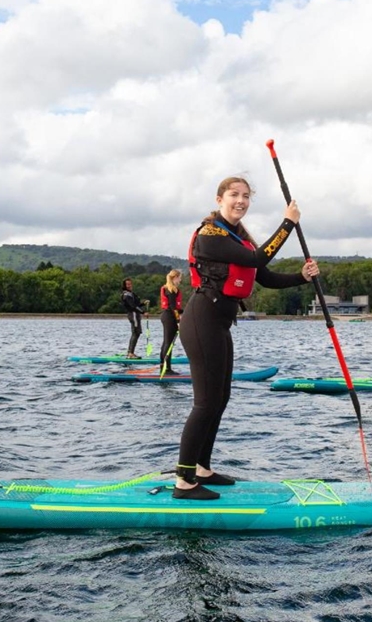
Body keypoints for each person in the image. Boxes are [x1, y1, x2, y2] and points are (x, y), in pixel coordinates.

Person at [174, 176, 319, 500]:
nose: (241, 201)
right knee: (205, 402)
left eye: (246, 196)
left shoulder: (238, 237)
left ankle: (202, 469)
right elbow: (258, 259)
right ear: (219, 199)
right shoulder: (209, 235)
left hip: (220, 324)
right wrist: (288, 224)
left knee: (220, 398)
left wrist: (301, 277)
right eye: (234, 195)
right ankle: (183, 481)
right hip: (202, 321)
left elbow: (263, 275)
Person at [159, 269, 184, 375]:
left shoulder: (167, 288)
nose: (180, 280)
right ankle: (167, 369)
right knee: (168, 343)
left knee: (166, 342)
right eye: (179, 278)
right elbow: (173, 308)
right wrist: (178, 320)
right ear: (175, 277)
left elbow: (175, 307)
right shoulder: (171, 289)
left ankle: (163, 367)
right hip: (170, 317)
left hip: (167, 315)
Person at [120, 278, 149, 358]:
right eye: (128, 284)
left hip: (135, 314)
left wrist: (143, 303)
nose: (129, 286)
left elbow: (136, 305)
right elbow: (133, 306)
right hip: (133, 314)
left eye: (130, 284)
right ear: (125, 286)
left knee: (137, 332)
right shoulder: (126, 295)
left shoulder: (131, 294)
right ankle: (130, 353)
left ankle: (130, 352)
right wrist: (143, 312)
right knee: (135, 332)